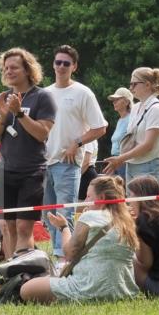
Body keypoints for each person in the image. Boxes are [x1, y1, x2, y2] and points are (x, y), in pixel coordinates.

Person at [19, 176, 139, 304]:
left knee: (26, 289)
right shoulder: (128, 221)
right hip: (123, 291)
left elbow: (69, 253)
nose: (85, 201)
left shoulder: (90, 216)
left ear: (102, 198)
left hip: (88, 287)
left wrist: (64, 227)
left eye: (88, 197)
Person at [0, 48, 56, 259]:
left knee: (24, 226)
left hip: (32, 171)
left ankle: (24, 273)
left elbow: (42, 133)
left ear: (27, 69)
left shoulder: (43, 97)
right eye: (6, 68)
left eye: (14, 67)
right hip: (5, 172)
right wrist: (2, 116)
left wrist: (19, 113)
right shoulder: (1, 98)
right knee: (8, 227)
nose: (9, 71)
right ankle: (12, 273)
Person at [43, 45, 108, 264]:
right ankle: (57, 256)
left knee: (65, 214)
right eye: (58, 62)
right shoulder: (45, 93)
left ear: (74, 67)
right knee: (48, 215)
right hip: (45, 164)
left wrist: (77, 143)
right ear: (53, 65)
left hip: (68, 162)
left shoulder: (83, 93)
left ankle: (66, 261)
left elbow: (100, 127)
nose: (61, 66)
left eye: (66, 63)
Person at [102, 67, 159, 184]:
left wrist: (121, 158)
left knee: (145, 203)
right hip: (131, 165)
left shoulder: (156, 108)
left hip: (149, 165)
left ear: (147, 84)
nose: (130, 88)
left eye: (134, 84)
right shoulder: (136, 108)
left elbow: (148, 145)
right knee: (133, 202)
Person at [107, 86, 134, 181]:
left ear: (126, 102)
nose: (114, 102)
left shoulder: (132, 119)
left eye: (117, 99)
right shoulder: (120, 120)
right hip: (116, 161)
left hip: (125, 162)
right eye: (113, 100)